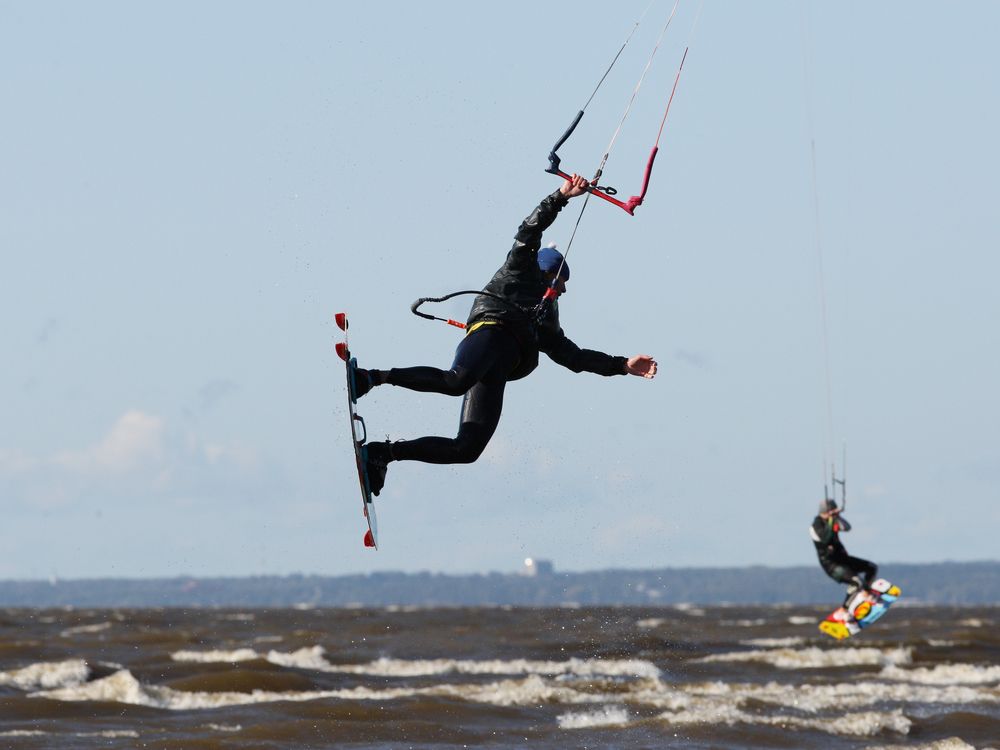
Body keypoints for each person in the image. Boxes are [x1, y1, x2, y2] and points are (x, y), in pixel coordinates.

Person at [351, 174, 658, 496]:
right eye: (561, 279)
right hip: (490, 332)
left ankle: (383, 454)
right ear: (546, 272)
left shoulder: (547, 318)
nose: (565, 288)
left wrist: (622, 364)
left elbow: (574, 357)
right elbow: (529, 232)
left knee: (467, 450)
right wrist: (561, 196)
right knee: (456, 382)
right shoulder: (519, 268)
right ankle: (371, 378)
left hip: (498, 368)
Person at [809, 498, 878, 603]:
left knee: (872, 568)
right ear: (826, 512)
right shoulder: (816, 525)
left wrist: (837, 517)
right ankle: (844, 610)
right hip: (831, 564)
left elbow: (847, 527)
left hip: (843, 559)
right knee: (856, 581)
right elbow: (826, 538)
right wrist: (831, 520)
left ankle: (866, 594)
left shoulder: (832, 520)